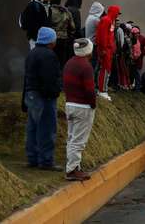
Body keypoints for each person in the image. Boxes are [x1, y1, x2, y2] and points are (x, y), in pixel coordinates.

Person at [22, 27, 62, 170]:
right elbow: (49, 79)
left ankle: (32, 159)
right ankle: (46, 161)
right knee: (47, 129)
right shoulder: (49, 55)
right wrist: (54, 93)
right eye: (54, 39)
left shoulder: (32, 53)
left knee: (32, 128)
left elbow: (27, 77)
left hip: (31, 95)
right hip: (44, 97)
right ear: (49, 40)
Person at [63, 38, 96, 181]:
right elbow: (89, 90)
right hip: (82, 107)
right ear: (88, 50)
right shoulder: (86, 67)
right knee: (78, 141)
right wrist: (93, 104)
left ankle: (73, 166)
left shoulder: (69, 63)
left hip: (69, 104)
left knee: (71, 138)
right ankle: (72, 170)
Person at [95, 5, 121, 101]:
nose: (118, 15)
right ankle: (102, 91)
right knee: (105, 69)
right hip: (105, 50)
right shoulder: (107, 20)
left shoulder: (110, 21)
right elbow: (102, 36)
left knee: (106, 69)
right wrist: (103, 49)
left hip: (108, 50)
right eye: (117, 13)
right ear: (114, 12)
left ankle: (102, 89)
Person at [50, 0, 76, 69]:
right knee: (61, 61)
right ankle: (61, 78)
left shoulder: (48, 11)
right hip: (63, 39)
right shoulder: (66, 11)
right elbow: (73, 27)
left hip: (51, 39)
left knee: (51, 61)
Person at [131, 27, 145, 91]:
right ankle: (133, 86)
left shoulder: (142, 38)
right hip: (132, 57)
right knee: (132, 73)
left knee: (137, 73)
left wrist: (142, 54)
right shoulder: (133, 37)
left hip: (138, 59)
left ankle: (137, 88)